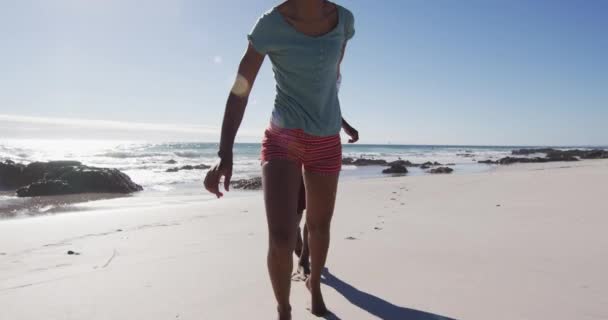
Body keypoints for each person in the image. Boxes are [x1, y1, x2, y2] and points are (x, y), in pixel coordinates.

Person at [204, 1, 355, 318]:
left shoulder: (343, 21)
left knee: (319, 226)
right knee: (283, 235)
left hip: (327, 139)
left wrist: (340, 120)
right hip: (284, 137)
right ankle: (284, 310)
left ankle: (314, 287)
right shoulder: (270, 24)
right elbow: (240, 89)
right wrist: (224, 152)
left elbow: (330, 79)